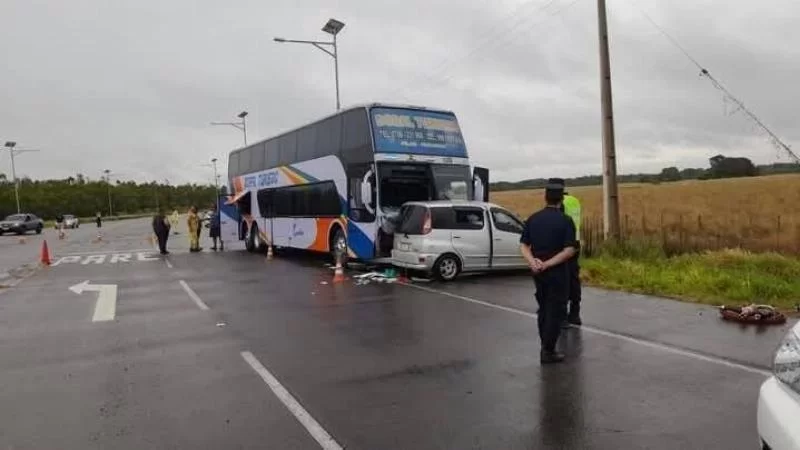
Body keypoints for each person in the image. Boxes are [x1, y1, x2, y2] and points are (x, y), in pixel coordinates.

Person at [519, 181, 578, 364]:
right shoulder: (566, 221)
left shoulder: (533, 218)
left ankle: (545, 345)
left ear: (545, 197)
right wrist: (548, 264)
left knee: (543, 308)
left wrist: (533, 262)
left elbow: (523, 245)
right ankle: (548, 350)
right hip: (558, 273)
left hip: (538, 273)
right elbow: (569, 250)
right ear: (561, 199)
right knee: (556, 310)